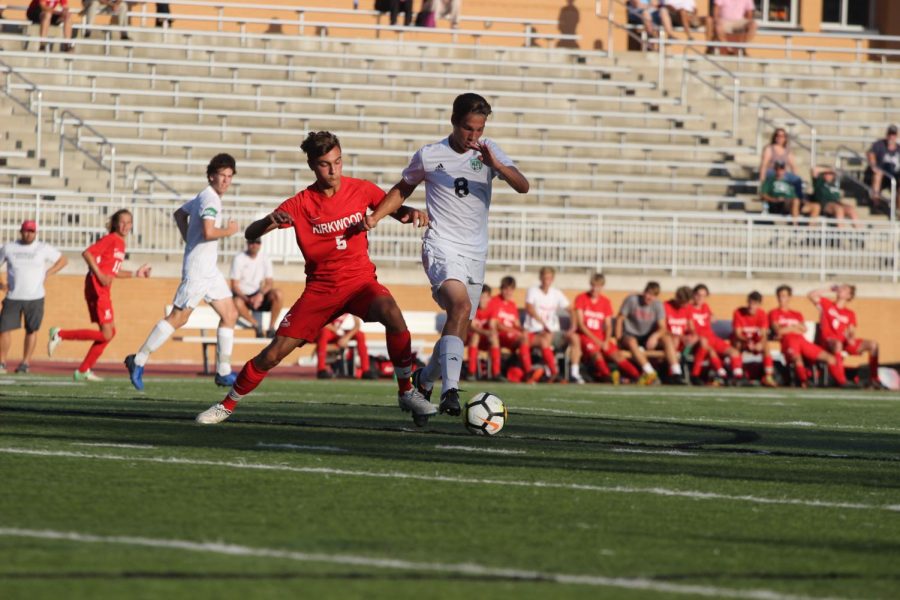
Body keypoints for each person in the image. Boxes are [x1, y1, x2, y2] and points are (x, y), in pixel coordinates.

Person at [195, 131, 433, 425]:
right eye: (325, 164)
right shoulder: (301, 203)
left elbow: (392, 208)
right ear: (312, 165)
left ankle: (406, 390)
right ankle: (226, 404)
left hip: (360, 283)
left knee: (392, 313)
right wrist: (270, 221)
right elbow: (250, 233)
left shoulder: (361, 189)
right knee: (273, 354)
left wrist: (411, 212)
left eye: (338, 161)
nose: (334, 170)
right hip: (321, 290)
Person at [363, 93, 529, 415]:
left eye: (479, 129)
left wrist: (497, 166)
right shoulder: (430, 154)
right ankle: (450, 391)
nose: (474, 136)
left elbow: (523, 186)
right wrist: (375, 217)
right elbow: (403, 188)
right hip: (441, 245)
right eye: (468, 128)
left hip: (475, 253)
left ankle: (424, 380)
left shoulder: (489, 151)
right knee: (460, 305)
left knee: (459, 324)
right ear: (454, 122)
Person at [125, 154, 241, 391]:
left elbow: (180, 214)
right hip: (198, 270)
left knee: (230, 314)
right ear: (211, 176)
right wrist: (229, 231)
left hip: (210, 270)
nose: (226, 181)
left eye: (230, 177)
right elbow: (209, 232)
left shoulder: (205, 196)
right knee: (179, 318)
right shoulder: (210, 198)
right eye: (222, 176)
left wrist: (189, 238)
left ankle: (223, 371)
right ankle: (137, 360)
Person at [48, 210, 150, 381]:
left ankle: (83, 370)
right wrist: (99, 275)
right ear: (116, 224)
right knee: (107, 333)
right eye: (122, 222)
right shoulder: (111, 239)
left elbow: (113, 271)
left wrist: (135, 273)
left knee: (110, 332)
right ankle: (60, 334)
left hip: (103, 289)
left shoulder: (121, 244)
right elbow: (87, 253)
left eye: (129, 223)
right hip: (97, 287)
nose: (125, 226)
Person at [0, 220, 67, 374]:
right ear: (21, 231)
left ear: (36, 233)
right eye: (26, 231)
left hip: (35, 297)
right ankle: (2, 362)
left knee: (32, 330)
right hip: (13, 296)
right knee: (4, 329)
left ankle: (25, 363)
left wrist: (48, 273)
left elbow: (63, 260)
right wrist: (1, 284)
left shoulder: (42, 248)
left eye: (31, 231)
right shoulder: (9, 248)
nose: (28, 234)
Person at [769, 285, 846, 388]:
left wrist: (788, 328)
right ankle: (804, 382)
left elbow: (804, 329)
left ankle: (841, 382)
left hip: (802, 341)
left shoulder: (796, 314)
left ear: (789, 297)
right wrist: (794, 327)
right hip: (788, 342)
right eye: (780, 296)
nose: (782, 298)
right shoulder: (774, 313)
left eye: (784, 296)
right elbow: (778, 330)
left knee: (830, 358)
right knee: (797, 359)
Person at [808, 285, 882, 389]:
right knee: (837, 344)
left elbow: (851, 331)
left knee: (874, 345)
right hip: (829, 341)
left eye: (844, 289)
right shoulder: (827, 304)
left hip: (843, 342)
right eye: (841, 288)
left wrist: (850, 337)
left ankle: (874, 379)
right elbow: (811, 295)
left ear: (849, 296)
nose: (841, 289)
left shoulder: (850, 313)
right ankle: (842, 381)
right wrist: (829, 289)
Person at [573, 273, 640, 384]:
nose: (595, 289)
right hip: (586, 337)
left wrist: (606, 340)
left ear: (602, 287)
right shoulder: (581, 298)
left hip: (601, 337)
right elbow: (581, 325)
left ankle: (637, 376)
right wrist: (597, 341)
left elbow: (608, 325)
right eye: (593, 286)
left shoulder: (605, 302)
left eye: (598, 286)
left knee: (616, 355)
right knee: (597, 355)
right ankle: (608, 376)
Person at [615, 281, 678, 385]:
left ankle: (676, 373)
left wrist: (654, 336)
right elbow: (619, 319)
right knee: (631, 341)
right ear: (644, 292)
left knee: (667, 339)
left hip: (647, 337)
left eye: (653, 295)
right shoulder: (632, 300)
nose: (649, 297)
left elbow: (663, 327)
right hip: (630, 334)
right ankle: (650, 372)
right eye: (648, 293)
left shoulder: (658, 305)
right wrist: (618, 339)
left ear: (656, 297)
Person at [524, 266, 578, 383]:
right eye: (544, 278)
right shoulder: (533, 291)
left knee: (575, 338)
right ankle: (552, 372)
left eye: (549, 278)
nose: (546, 281)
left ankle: (575, 373)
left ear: (552, 279)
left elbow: (572, 310)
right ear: (540, 278)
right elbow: (529, 308)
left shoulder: (556, 293)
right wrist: (542, 323)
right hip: (536, 331)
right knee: (545, 339)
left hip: (552, 332)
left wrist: (573, 327)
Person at [487, 276, 541, 383]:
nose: (508, 292)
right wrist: (514, 331)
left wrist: (523, 329)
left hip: (513, 335)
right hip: (501, 335)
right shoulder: (495, 301)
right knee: (523, 339)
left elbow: (516, 324)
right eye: (506, 289)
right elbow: (495, 324)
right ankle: (528, 371)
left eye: (511, 289)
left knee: (540, 340)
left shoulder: (512, 304)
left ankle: (548, 372)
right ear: (501, 289)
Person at [687, 283, 742, 385]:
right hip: (700, 340)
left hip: (711, 337)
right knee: (709, 349)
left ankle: (738, 377)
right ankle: (698, 375)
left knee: (734, 352)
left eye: (703, 296)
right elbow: (691, 328)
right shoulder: (689, 308)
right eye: (698, 295)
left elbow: (713, 318)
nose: (700, 298)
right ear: (693, 295)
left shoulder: (705, 307)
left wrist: (712, 317)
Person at [229, 237, 284, 338]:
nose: (254, 245)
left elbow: (269, 282)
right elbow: (234, 285)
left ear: (260, 244)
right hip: (244, 297)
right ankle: (256, 325)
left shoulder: (265, 258)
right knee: (237, 302)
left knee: (278, 294)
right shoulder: (239, 258)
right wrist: (248, 299)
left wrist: (260, 295)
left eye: (257, 242)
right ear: (247, 243)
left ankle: (271, 328)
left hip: (259, 295)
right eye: (252, 241)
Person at [731, 291, 776, 387]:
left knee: (766, 346)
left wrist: (759, 343)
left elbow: (764, 334)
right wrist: (747, 342)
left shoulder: (762, 314)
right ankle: (738, 375)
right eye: (750, 303)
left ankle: (768, 376)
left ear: (759, 304)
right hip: (743, 341)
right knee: (737, 344)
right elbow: (737, 333)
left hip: (755, 343)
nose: (751, 306)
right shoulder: (738, 312)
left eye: (755, 304)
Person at [315, 314, 375, 380]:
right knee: (324, 332)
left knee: (360, 334)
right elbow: (322, 322)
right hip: (330, 331)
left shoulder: (351, 305)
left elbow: (357, 325)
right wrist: (336, 330)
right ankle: (321, 370)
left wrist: (347, 337)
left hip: (341, 333)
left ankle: (365, 370)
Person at [760, 160, 819, 225]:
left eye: (782, 169)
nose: (780, 171)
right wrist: (775, 199)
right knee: (795, 201)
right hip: (779, 205)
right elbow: (763, 194)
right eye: (778, 169)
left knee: (816, 206)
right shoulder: (769, 181)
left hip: (793, 203)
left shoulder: (789, 182)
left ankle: (811, 230)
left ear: (785, 170)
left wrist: (803, 201)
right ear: (775, 170)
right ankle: (795, 227)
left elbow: (794, 195)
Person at [466, 285, 502, 381]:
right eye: (481, 297)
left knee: (494, 338)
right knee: (475, 336)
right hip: (472, 338)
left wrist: (490, 332)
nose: (482, 300)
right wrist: (486, 332)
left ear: (489, 298)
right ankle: (471, 372)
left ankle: (496, 373)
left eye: (485, 297)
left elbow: (492, 324)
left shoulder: (493, 307)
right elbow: (472, 327)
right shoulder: (472, 307)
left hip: (486, 338)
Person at [759, 128, 804, 200]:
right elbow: (764, 164)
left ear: (785, 138)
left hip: (783, 172)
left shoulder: (787, 150)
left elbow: (793, 166)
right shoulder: (769, 148)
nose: (780, 138)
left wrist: (794, 176)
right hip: (772, 171)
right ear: (774, 137)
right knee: (779, 177)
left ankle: (799, 199)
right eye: (778, 135)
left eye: (782, 136)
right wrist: (762, 178)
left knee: (797, 180)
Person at [865, 125, 900, 213]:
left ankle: (897, 209)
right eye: (890, 134)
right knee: (878, 174)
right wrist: (874, 166)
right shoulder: (879, 144)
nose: (891, 137)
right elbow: (871, 154)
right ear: (887, 134)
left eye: (893, 134)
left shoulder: (899, 148)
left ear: (897, 136)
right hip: (879, 175)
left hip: (893, 176)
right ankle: (876, 203)